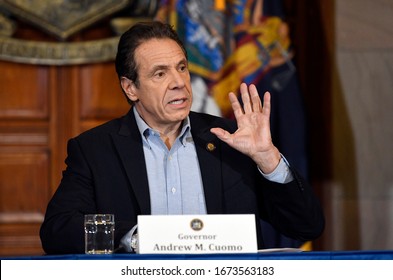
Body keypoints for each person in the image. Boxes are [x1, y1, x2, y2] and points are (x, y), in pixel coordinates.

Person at [39, 21, 324, 254]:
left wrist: (268, 158)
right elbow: (58, 230)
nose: (178, 82)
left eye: (182, 67)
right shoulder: (95, 150)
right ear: (131, 88)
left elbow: (306, 226)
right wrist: (139, 238)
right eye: (160, 73)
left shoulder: (231, 139)